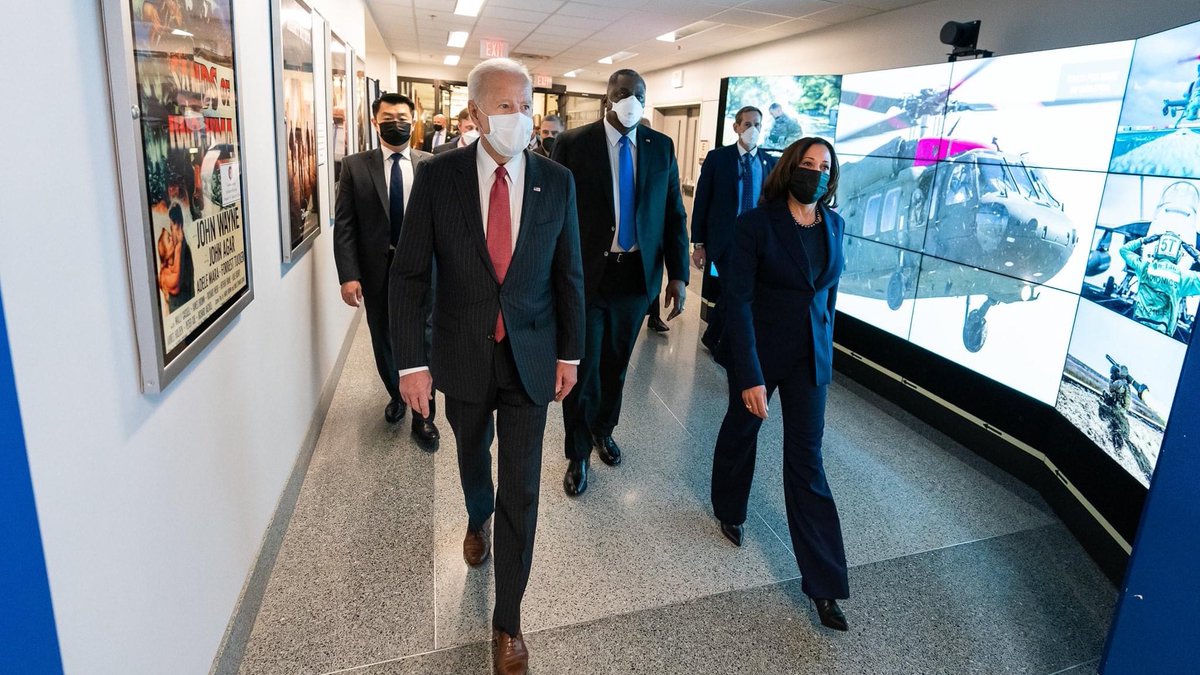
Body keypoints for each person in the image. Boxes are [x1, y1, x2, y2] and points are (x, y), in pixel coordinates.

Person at [390, 57, 585, 675]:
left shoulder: (556, 181)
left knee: (522, 489)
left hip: (531, 354)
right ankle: (478, 514)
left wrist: (570, 353)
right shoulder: (438, 177)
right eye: (504, 106)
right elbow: (409, 275)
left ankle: (509, 622)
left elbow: (569, 274)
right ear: (475, 114)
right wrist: (411, 363)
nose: (519, 117)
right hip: (462, 350)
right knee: (473, 453)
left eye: (525, 105)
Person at [710, 137, 851, 632]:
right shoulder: (755, 224)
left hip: (810, 361)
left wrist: (826, 351)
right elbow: (738, 302)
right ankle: (729, 507)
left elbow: (828, 297)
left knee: (807, 461)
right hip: (761, 354)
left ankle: (825, 585)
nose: (816, 172)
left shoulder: (834, 225)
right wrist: (749, 374)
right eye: (808, 164)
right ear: (791, 168)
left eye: (824, 167)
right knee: (742, 430)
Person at [552, 68, 689, 496]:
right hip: (587, 277)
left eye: (640, 95)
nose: (633, 101)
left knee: (616, 366)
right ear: (607, 98)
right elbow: (552, 214)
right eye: (624, 92)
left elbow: (673, 214)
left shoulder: (660, 146)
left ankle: (603, 429)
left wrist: (679, 274)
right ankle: (577, 451)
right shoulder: (573, 143)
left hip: (635, 277)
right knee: (584, 367)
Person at [333, 93, 440, 445]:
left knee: (425, 336)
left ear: (414, 121)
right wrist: (349, 275)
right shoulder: (355, 166)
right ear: (375, 122)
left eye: (403, 118)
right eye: (388, 118)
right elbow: (345, 225)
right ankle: (397, 393)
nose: (397, 123)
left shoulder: (430, 164)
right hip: (378, 269)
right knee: (383, 336)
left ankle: (424, 414)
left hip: (423, 267)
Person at [691, 105, 778, 352]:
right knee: (735, 290)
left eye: (757, 125)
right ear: (736, 127)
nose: (753, 129)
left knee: (737, 292)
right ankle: (723, 341)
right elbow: (702, 201)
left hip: (756, 243)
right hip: (725, 241)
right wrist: (698, 244)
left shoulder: (769, 162)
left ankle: (714, 336)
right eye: (748, 124)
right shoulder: (718, 158)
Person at [1119, 231, 1200, 338]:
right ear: (1178, 255)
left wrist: (1143, 240)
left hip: (1138, 323)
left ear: (1157, 250)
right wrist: (1195, 254)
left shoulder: (1145, 267)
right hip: (1162, 333)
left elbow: (1124, 250)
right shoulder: (1183, 277)